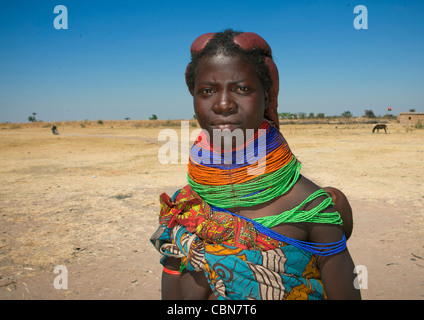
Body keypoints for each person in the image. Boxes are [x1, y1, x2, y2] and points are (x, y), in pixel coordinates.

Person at [150, 29, 360, 300]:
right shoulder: (185, 207)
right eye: (207, 91)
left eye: (242, 89)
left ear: (267, 97)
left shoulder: (309, 206)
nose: (223, 104)